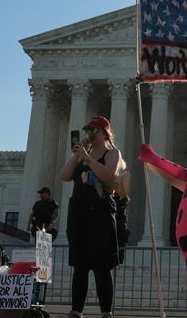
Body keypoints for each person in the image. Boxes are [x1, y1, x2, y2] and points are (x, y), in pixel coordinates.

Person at [61, 115, 130, 318]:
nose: (89, 134)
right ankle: (76, 311)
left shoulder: (112, 153)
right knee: (80, 266)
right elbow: (64, 176)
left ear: (104, 133)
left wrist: (88, 159)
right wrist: (77, 155)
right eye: (87, 131)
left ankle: (106, 312)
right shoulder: (83, 154)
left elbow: (109, 175)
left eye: (93, 131)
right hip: (79, 213)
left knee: (101, 266)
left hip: (100, 213)